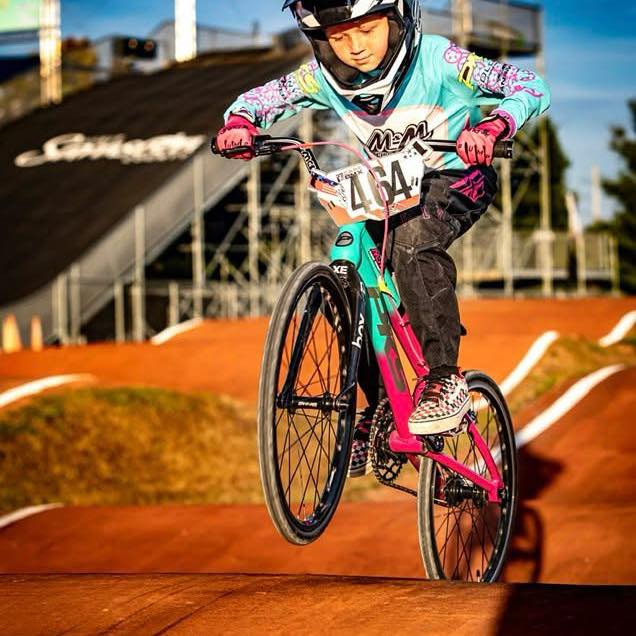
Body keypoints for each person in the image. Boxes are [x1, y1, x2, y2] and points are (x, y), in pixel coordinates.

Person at [216, 0, 550, 477]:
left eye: (367, 30)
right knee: (350, 274)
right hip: (387, 189)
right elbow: (263, 98)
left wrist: (495, 124)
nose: (355, 47)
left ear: (397, 20)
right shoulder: (320, 78)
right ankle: (379, 409)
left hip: (455, 177)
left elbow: (527, 84)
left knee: (412, 244)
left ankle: (444, 378)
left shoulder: (439, 58)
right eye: (338, 38)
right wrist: (240, 123)